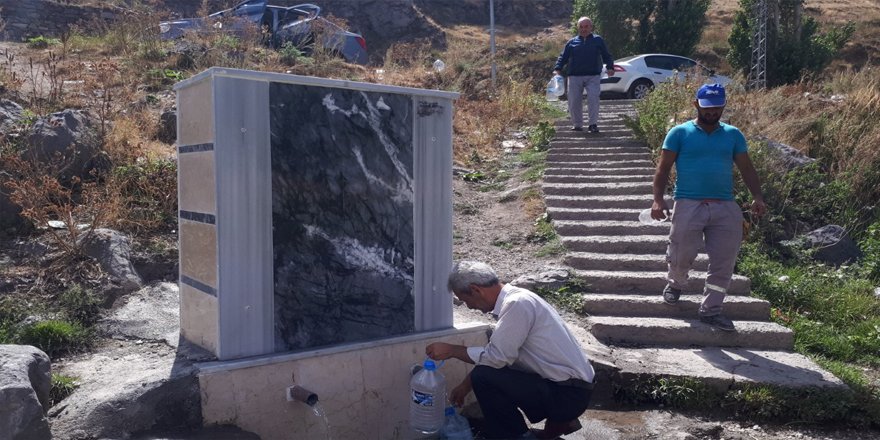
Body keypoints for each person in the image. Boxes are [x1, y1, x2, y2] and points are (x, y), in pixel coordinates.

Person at [425, 261, 595, 440]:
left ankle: (517, 436)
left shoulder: (517, 304)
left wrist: (452, 350)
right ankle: (555, 425)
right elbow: (498, 355)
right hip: (570, 389)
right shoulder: (518, 299)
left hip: (568, 393)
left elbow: (497, 358)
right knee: (485, 374)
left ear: (476, 290)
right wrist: (466, 385)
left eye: (466, 300)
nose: (469, 307)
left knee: (482, 377)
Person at [651, 83, 767, 332]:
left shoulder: (733, 135)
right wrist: (658, 200)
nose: (712, 112)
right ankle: (676, 283)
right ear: (696, 105)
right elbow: (663, 169)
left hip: (725, 206)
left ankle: (711, 310)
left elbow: (747, 168)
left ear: (723, 106)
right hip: (688, 203)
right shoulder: (679, 133)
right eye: (707, 107)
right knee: (681, 251)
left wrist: (757, 196)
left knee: (724, 261)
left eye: (717, 108)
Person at [553, 16, 614, 133]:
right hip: (575, 76)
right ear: (578, 28)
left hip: (593, 75)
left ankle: (593, 124)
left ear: (591, 27)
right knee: (574, 100)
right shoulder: (572, 42)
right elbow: (563, 57)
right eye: (581, 27)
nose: (583, 29)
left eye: (586, 26)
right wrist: (558, 68)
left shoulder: (598, 40)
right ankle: (577, 124)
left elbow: (606, 55)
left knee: (593, 98)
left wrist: (610, 67)